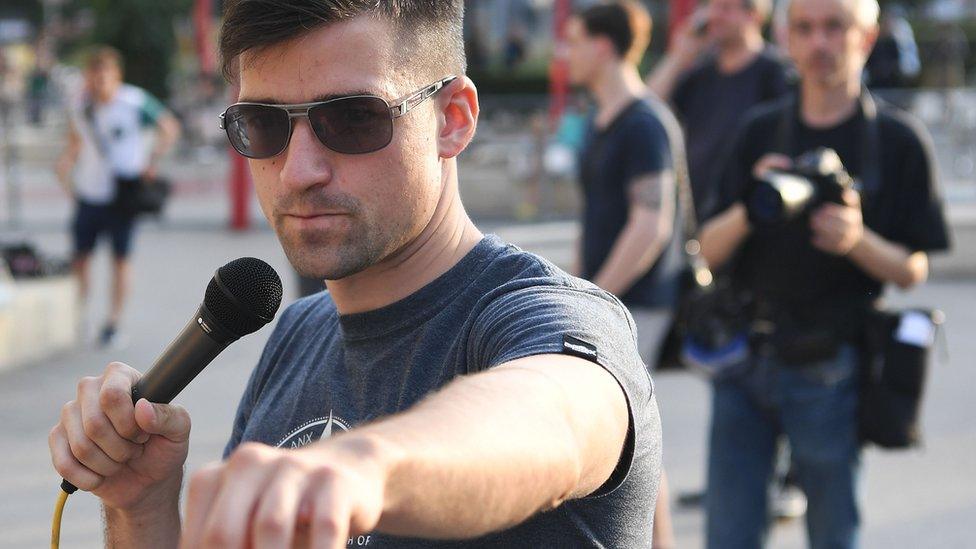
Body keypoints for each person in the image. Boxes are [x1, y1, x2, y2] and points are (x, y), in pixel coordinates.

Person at [48, 2, 663, 547]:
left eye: (352, 119)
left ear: (453, 118)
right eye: (262, 124)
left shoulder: (541, 317)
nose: (299, 171)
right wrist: (140, 507)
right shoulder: (296, 337)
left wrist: (362, 467)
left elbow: (559, 414)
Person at [698, 0, 951, 546]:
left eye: (836, 27)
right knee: (728, 534)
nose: (820, 44)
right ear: (786, 38)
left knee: (835, 534)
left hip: (833, 364)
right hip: (745, 360)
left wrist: (856, 241)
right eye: (805, 29)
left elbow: (913, 268)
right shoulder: (759, 131)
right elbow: (706, 251)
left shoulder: (897, 140)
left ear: (867, 37)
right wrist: (753, 204)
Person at [564, 5, 681, 548]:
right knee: (629, 435)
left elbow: (651, 223)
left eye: (576, 42)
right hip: (606, 296)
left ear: (605, 47)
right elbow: (595, 219)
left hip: (640, 300)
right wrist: (569, 288)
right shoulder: (601, 120)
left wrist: (597, 296)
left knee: (636, 435)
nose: (567, 55)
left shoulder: (644, 122)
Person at [55, 47, 179, 347]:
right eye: (93, 76)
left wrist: (152, 159)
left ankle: (113, 322)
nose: (98, 83)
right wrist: (66, 171)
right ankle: (79, 317)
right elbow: (75, 143)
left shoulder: (134, 101)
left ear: (116, 76)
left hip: (122, 195)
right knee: (80, 259)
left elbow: (169, 127)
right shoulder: (80, 107)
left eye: (104, 76)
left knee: (120, 259)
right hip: (89, 193)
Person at [647, 0, 789, 220]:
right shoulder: (700, 75)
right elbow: (647, 110)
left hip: (745, 215)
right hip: (695, 215)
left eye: (725, 8)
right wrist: (679, 56)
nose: (714, 16)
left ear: (754, 16)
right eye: (712, 7)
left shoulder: (776, 75)